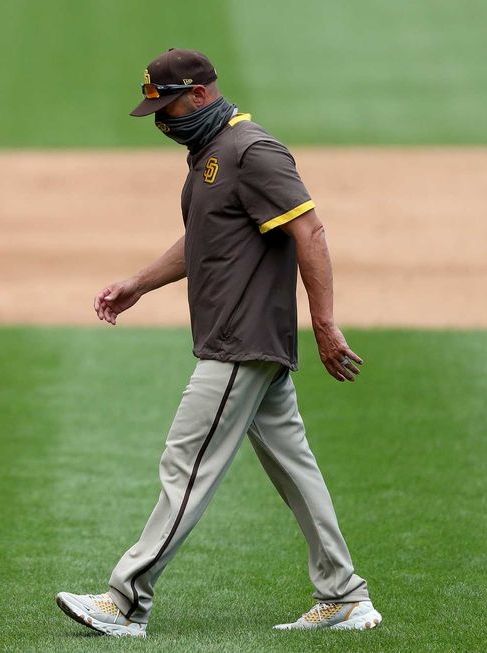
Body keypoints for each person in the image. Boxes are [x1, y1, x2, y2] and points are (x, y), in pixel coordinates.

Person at [54, 48, 382, 638]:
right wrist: (139, 283)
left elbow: (309, 229)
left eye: (168, 106)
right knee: (295, 469)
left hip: (241, 341)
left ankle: (124, 602)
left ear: (200, 94)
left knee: (187, 463)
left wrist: (325, 323)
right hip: (244, 341)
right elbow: (202, 237)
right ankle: (343, 595)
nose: (161, 120)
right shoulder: (208, 155)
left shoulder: (251, 151)